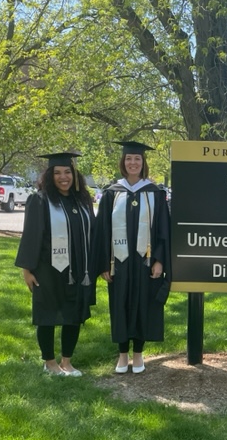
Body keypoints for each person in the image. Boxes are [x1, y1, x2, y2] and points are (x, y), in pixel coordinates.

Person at [94, 141, 171, 374]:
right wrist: (103, 263)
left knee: (143, 305)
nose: (133, 163)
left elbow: (163, 229)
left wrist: (159, 260)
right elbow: (102, 231)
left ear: (143, 162)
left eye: (137, 159)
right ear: (123, 162)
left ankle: (138, 354)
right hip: (119, 263)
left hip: (145, 262)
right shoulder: (111, 193)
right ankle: (122, 355)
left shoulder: (155, 193)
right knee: (119, 305)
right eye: (129, 159)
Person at [15, 152, 96, 376]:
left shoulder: (82, 200)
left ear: (74, 175)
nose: (63, 177)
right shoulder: (40, 200)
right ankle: (50, 363)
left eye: (67, 172)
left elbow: (92, 232)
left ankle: (66, 362)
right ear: (50, 176)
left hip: (78, 268)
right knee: (47, 315)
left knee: (74, 314)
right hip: (47, 269)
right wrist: (27, 270)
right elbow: (31, 235)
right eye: (58, 173)